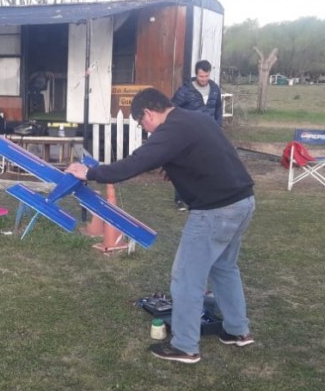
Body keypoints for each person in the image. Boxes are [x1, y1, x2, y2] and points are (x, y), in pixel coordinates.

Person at [67, 87, 255, 364]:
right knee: (224, 268)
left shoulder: (171, 129)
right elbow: (208, 154)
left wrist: (91, 172)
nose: (146, 130)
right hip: (243, 202)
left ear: (148, 113)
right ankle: (238, 330)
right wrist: (177, 165)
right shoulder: (195, 118)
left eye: (141, 123)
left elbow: (136, 162)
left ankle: (185, 346)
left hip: (215, 210)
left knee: (186, 278)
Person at [170, 60, 223, 211]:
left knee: (206, 167)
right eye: (201, 76)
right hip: (188, 136)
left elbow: (218, 110)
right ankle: (180, 200)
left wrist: (217, 129)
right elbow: (172, 108)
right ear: (196, 74)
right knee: (185, 168)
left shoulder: (215, 89)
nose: (204, 79)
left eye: (206, 76)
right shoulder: (185, 90)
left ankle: (203, 197)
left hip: (208, 135)